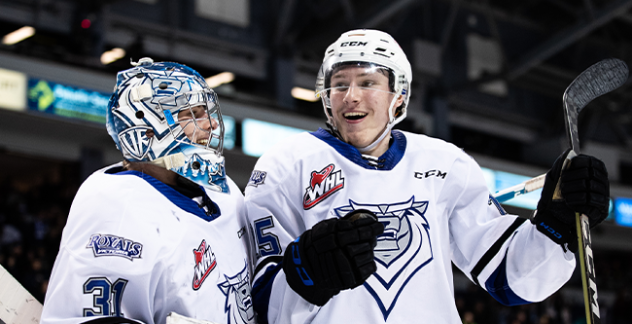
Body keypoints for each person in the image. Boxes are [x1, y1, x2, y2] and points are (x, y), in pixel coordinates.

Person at [244, 29, 610, 323]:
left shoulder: (446, 164)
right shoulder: (284, 164)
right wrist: (307, 274)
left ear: (398, 96)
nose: (350, 96)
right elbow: (259, 304)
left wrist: (556, 225)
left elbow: (511, 280)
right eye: (339, 84)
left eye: (367, 83)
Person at [40, 58, 255, 324]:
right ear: (148, 131)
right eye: (193, 114)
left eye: (207, 112)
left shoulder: (226, 192)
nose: (210, 124)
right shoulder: (115, 203)